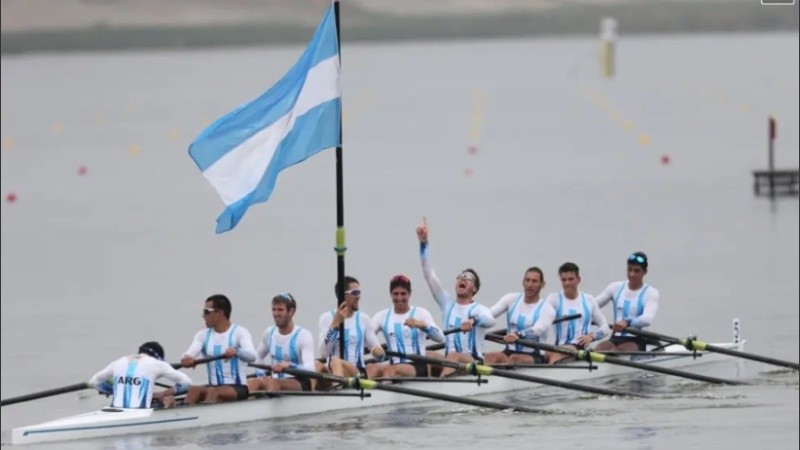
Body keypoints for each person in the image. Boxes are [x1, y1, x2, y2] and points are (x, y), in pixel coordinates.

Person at [416, 217, 497, 377]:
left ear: (474, 289)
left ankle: (440, 384)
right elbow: (429, 275)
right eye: (460, 277)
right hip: (450, 361)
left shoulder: (479, 309)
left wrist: (474, 321)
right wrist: (423, 243)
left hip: (474, 363)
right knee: (425, 354)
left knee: (453, 356)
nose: (462, 279)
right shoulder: (447, 305)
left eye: (468, 278)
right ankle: (425, 382)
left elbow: (491, 321)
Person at [178, 294, 257, 404]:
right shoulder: (202, 335)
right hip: (213, 386)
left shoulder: (240, 332)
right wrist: (186, 359)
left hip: (238, 387)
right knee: (193, 390)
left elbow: (252, 356)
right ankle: (185, 413)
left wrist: (236, 351)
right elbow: (189, 353)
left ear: (219, 313)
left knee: (213, 392)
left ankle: (208, 413)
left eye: (206, 312)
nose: (203, 316)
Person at [372, 274, 445, 377]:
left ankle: (385, 384)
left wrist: (423, 325)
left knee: (390, 369)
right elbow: (367, 336)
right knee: (370, 368)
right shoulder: (381, 316)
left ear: (410, 294)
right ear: (390, 294)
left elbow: (440, 338)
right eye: (395, 294)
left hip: (418, 365)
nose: (399, 298)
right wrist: (374, 348)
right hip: (394, 365)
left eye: (403, 294)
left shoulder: (421, 313)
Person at [88, 341, 192, 409]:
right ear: (158, 357)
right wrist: (163, 393)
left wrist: (112, 389)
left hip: (113, 411)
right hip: (141, 413)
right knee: (169, 399)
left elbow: (94, 382)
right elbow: (187, 383)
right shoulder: (159, 364)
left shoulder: (119, 362)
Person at [318, 276, 385, 379]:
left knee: (335, 360)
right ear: (342, 296)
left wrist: (379, 353)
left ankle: (339, 385)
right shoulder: (326, 318)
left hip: (357, 373)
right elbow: (324, 353)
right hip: (333, 371)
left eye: (359, 293)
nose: (359, 297)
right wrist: (335, 326)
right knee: (317, 365)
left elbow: (379, 351)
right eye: (355, 293)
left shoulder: (364, 319)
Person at [484, 267, 556, 364]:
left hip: (534, 355)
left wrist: (518, 334)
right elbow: (489, 314)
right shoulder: (511, 299)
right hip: (509, 351)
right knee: (489, 356)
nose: (530, 285)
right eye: (527, 280)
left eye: (534, 281)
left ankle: (504, 369)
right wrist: (473, 320)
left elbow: (538, 329)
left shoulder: (547, 309)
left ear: (542, 285)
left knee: (514, 359)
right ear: (523, 282)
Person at [248, 293, 316, 393]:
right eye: (274, 309)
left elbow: (311, 369)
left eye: (280, 310)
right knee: (253, 382)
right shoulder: (269, 333)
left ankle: (268, 400)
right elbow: (257, 356)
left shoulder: (303, 335)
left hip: (299, 381)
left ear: (291, 311)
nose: (276, 314)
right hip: (275, 381)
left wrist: (290, 365)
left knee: (275, 383)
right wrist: (261, 375)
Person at [594, 252, 660, 352]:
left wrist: (627, 322)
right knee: (598, 350)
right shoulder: (615, 288)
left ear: (645, 272)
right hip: (616, 337)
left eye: (637, 271)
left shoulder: (651, 292)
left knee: (617, 352)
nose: (632, 274)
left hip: (638, 339)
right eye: (629, 270)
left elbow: (647, 319)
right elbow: (592, 305)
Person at [545, 262, 610, 364]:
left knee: (556, 353)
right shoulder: (553, 299)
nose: (567, 283)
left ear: (578, 280)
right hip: (559, 347)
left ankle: (551, 369)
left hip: (579, 348)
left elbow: (605, 327)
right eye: (564, 280)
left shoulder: (589, 300)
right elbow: (540, 318)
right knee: (545, 353)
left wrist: (593, 336)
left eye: (571, 279)